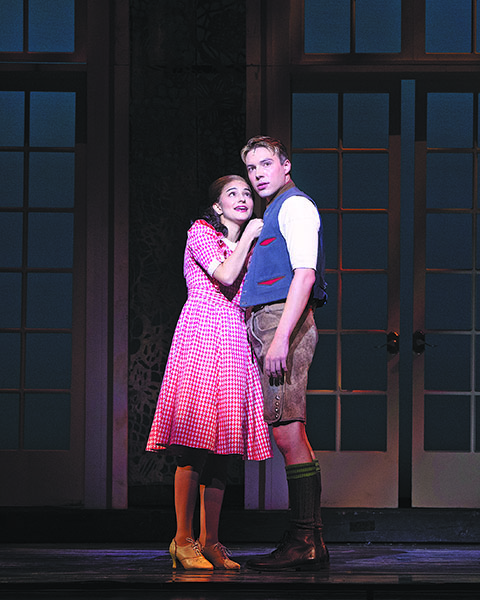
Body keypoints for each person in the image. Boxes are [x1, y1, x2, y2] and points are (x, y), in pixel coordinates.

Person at [146, 175, 272, 571]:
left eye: (247, 193)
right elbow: (225, 276)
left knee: (223, 452)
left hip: (235, 338)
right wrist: (249, 237)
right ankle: (182, 540)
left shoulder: (252, 245)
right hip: (202, 332)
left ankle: (211, 541)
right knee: (194, 445)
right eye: (232, 193)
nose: (243, 198)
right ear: (217, 206)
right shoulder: (201, 232)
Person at [239, 136, 329, 571]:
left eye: (265, 164)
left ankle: (305, 540)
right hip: (272, 324)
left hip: (283, 325)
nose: (257, 174)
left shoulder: (295, 206)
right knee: (287, 432)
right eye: (251, 168)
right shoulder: (274, 211)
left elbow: (305, 275)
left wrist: (280, 339)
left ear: (285, 165)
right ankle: (306, 539)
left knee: (288, 433)